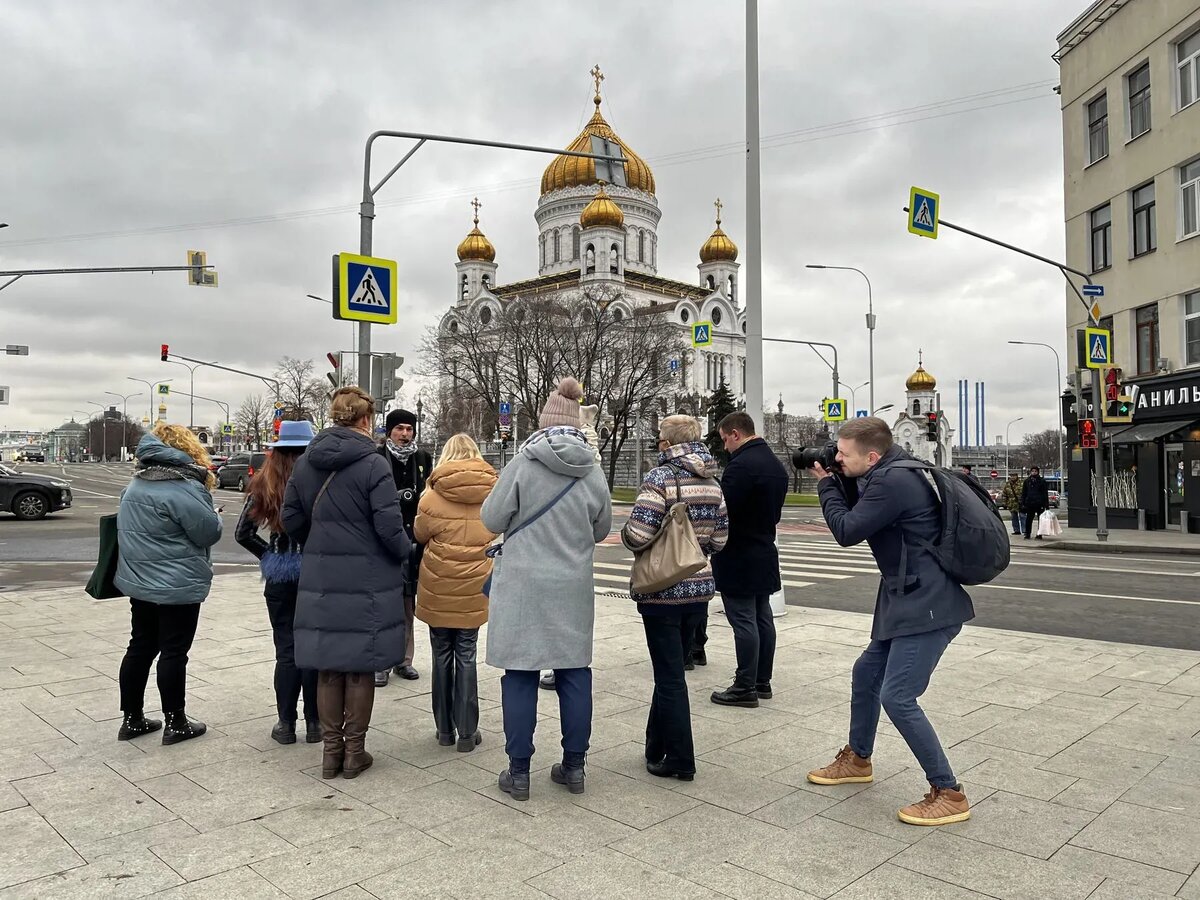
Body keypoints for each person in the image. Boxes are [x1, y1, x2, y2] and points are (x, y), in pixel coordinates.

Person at [807, 417, 974, 826]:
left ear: (873, 456)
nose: (837, 459)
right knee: (867, 674)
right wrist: (842, 475)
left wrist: (827, 484)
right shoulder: (890, 472)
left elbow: (847, 529)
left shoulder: (892, 481)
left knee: (897, 696)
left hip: (926, 603)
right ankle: (858, 759)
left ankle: (949, 792)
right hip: (907, 596)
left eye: (843, 454)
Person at [481, 377, 612, 801]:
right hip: (571, 586)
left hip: (521, 586)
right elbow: (603, 528)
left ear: (543, 423)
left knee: (519, 674)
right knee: (575, 673)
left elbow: (492, 519)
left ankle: (519, 772)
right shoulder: (592, 468)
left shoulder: (523, 462)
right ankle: (574, 767)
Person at [283, 387, 411, 780]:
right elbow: (390, 529)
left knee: (328, 666)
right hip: (367, 577)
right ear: (366, 420)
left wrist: (320, 541)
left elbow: (291, 519)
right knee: (359, 665)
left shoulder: (306, 463)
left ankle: (330, 753)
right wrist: (406, 550)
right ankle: (354, 753)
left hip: (321, 575)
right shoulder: (374, 465)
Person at [621, 415, 727, 780]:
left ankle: (681, 759)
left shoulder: (660, 478)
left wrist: (626, 535)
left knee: (669, 677)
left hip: (662, 589)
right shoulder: (713, 481)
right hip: (698, 589)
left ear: (666, 442)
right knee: (671, 670)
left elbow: (637, 534)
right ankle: (655, 744)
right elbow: (720, 539)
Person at [114, 424, 222, 745]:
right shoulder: (183, 487)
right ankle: (176, 722)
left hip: (141, 583)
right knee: (174, 652)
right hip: (178, 584)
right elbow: (207, 533)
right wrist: (213, 515)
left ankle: (131, 719)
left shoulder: (134, 485)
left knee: (140, 647)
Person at [235, 420, 320, 745]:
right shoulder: (319, 481)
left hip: (280, 575)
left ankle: (286, 725)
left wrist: (270, 556)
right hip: (314, 573)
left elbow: (243, 533)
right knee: (311, 649)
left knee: (286, 650)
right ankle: (315, 724)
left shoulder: (263, 483)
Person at [412, 433, 497, 753]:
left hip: (438, 583)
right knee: (467, 654)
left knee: (440, 655)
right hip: (475, 584)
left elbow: (420, 534)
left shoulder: (431, 495)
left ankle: (444, 729)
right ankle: (467, 731)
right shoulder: (492, 492)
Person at [709, 412, 789, 708]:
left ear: (735, 434)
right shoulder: (775, 464)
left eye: (724, 440)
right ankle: (761, 681)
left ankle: (744, 686)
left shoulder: (740, 466)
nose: (725, 447)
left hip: (738, 553)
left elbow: (723, 511)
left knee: (743, 620)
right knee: (762, 617)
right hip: (764, 549)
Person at [375, 407, 433, 686]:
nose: (405, 434)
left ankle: (404, 660)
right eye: (399, 429)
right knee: (384, 603)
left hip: (414, 541)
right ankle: (380, 661)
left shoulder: (422, 458)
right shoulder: (376, 458)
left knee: (408, 603)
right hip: (383, 542)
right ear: (389, 431)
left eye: (409, 429)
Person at [1021, 465, 1050, 540]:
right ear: (1031, 472)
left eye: (1035, 471)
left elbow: (1045, 493)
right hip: (1030, 503)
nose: (1034, 472)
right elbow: (1024, 493)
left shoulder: (1042, 481)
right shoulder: (1027, 481)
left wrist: (1046, 505)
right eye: (1032, 471)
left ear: (1038, 472)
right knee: (1029, 519)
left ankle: (1039, 534)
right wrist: (1023, 503)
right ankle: (1027, 534)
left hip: (1039, 503)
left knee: (1041, 519)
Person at [1000, 472, 1025, 536]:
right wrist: (1004, 503)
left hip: (1020, 503)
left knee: (1022, 516)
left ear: (1017, 476)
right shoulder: (1007, 484)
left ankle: (1025, 530)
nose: (1012, 477)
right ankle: (1016, 530)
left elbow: (1025, 493)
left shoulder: (1022, 483)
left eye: (1014, 476)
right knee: (1014, 517)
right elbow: (1004, 494)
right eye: (1011, 476)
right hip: (1011, 504)